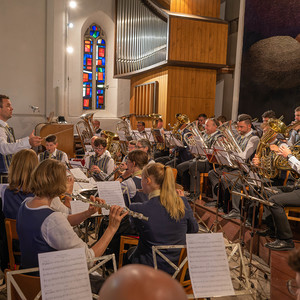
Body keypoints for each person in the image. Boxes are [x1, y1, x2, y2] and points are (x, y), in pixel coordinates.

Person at [16, 159, 126, 270]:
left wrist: (88, 213)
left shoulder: (25, 204)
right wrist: (111, 228)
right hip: (49, 280)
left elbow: (66, 219)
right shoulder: (52, 220)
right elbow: (89, 259)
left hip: (26, 275)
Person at [127, 163, 198, 275]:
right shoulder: (182, 203)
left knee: (130, 253)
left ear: (148, 181)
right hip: (178, 268)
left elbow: (133, 230)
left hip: (151, 268)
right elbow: (194, 229)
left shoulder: (138, 208)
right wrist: (184, 202)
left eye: (142, 178)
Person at [208, 114, 260, 217]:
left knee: (226, 178)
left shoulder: (254, 138)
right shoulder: (238, 136)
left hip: (245, 170)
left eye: (241, 127)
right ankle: (219, 203)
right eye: (238, 127)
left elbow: (244, 156)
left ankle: (234, 210)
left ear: (249, 126)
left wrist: (230, 154)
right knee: (213, 173)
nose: (239, 129)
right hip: (233, 166)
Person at [263, 144, 299, 251]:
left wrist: (289, 156)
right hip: (297, 187)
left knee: (274, 201)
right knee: (267, 191)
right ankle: (273, 229)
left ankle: (286, 240)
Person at [0, 95, 41, 182]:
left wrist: (28, 140)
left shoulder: (4, 127)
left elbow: (12, 143)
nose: (12, 108)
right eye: (8, 106)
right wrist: (28, 143)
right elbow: (3, 148)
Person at [98, 264, 188, 300]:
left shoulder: (148, 222)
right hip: (178, 266)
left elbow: (134, 227)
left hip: (149, 263)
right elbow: (194, 228)